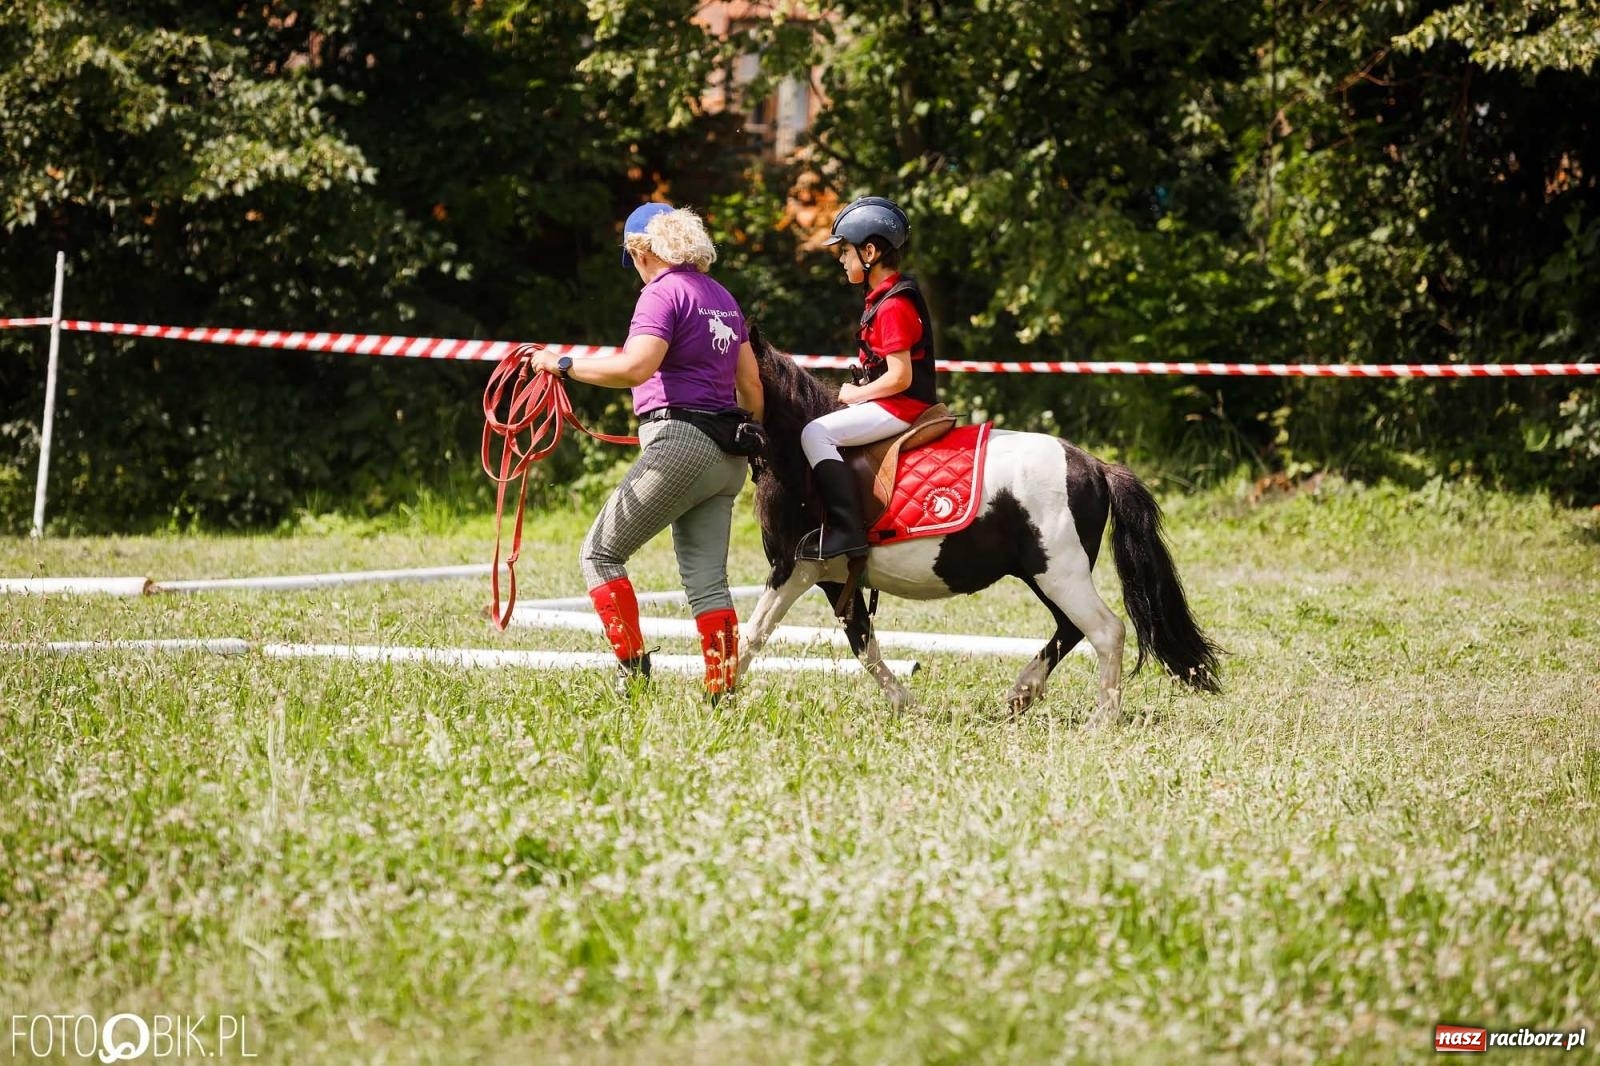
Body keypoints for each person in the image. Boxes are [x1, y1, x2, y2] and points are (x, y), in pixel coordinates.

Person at [525, 202, 763, 697]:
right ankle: (721, 696)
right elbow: (752, 389)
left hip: (681, 443)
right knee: (709, 584)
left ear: (641, 250)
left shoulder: (661, 292)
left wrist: (560, 364)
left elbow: (636, 367)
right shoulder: (722, 296)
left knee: (600, 553)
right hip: (729, 456)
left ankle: (632, 674)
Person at [797, 196, 938, 561]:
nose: (842, 260)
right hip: (893, 402)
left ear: (870, 252)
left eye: (845, 251)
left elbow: (900, 377)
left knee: (815, 433)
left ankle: (847, 530)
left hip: (901, 407)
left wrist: (855, 394)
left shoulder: (893, 306)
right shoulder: (884, 297)